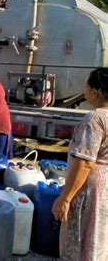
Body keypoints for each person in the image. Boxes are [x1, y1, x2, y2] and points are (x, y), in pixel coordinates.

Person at [52, 67, 107, 261]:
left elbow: (85, 163)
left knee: (81, 237)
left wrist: (65, 198)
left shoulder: (95, 119)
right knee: (100, 238)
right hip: (105, 187)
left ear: (96, 91)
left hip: (90, 189)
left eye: (87, 84)